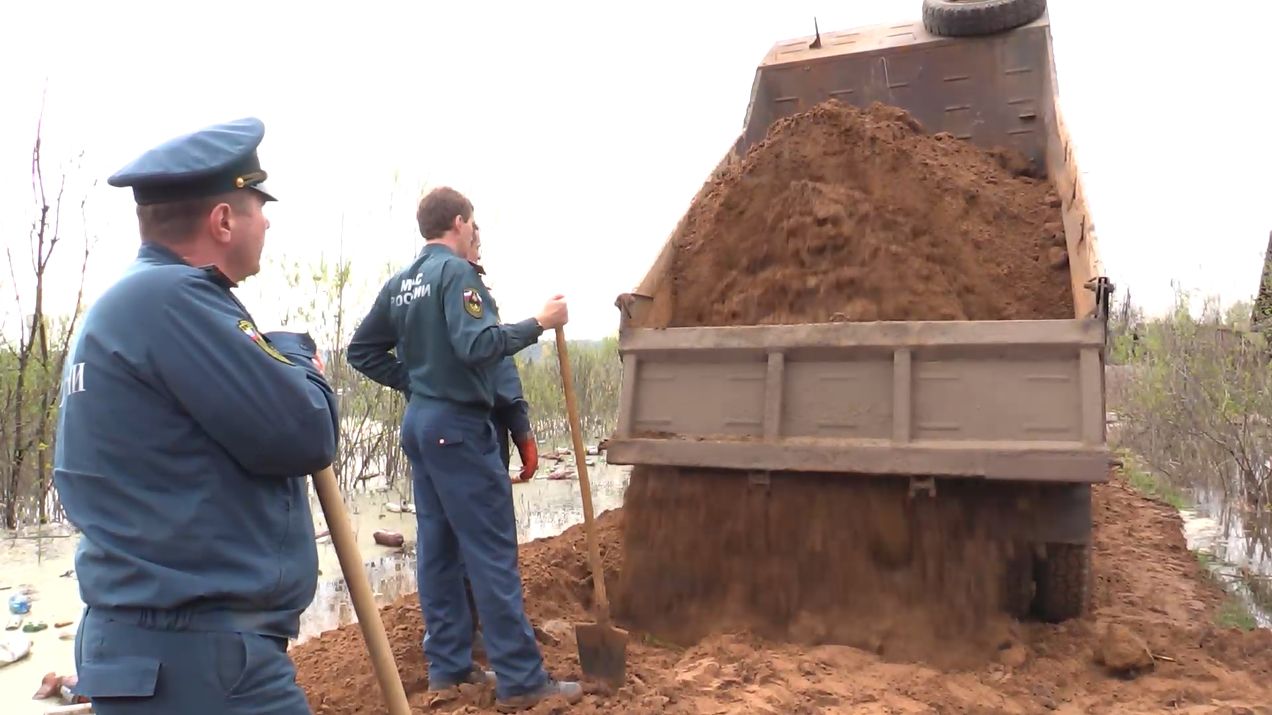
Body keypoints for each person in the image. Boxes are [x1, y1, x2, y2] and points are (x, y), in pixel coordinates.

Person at [51, 117, 339, 715]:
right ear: (224, 220)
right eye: (259, 203)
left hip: (149, 648)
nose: (267, 220)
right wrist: (297, 359)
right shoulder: (175, 300)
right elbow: (305, 430)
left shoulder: (123, 307)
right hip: (199, 663)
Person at [345, 187, 580, 709]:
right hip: (458, 427)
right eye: (473, 224)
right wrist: (539, 324)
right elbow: (479, 346)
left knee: (438, 549)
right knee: (490, 553)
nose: (476, 233)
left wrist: (418, 382)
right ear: (459, 222)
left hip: (421, 425)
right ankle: (521, 680)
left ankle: (447, 667)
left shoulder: (402, 282)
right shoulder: (457, 275)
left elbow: (360, 351)